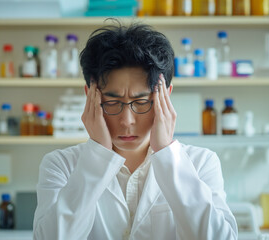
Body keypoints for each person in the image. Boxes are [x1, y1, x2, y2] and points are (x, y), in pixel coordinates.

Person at [33, 20, 238, 240]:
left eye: (141, 102)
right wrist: (97, 156)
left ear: (165, 96)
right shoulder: (61, 166)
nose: (127, 120)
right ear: (90, 96)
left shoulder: (201, 163)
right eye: (112, 102)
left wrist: (167, 154)